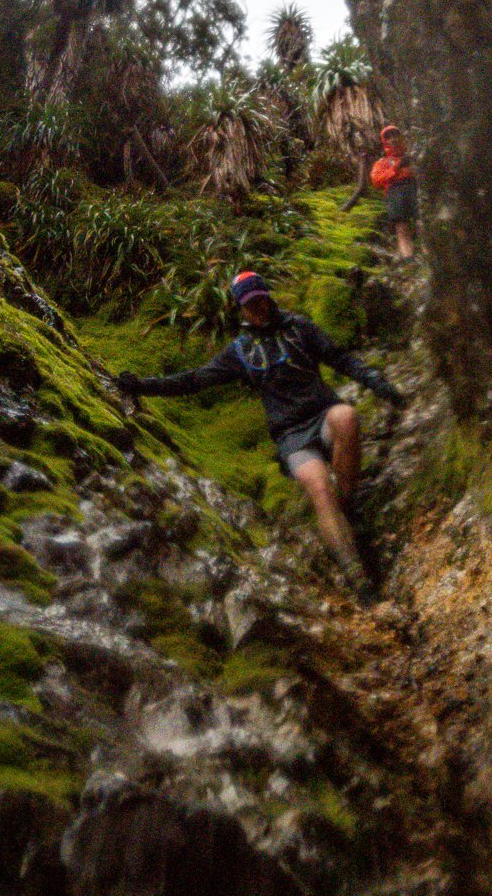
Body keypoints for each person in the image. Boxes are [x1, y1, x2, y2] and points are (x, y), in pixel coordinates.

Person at [116, 270, 405, 597]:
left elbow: (339, 358)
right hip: (291, 436)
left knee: (348, 416)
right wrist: (143, 386)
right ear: (241, 309)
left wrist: (376, 383)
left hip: (323, 414)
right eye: (249, 304)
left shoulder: (300, 328)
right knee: (320, 488)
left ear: (268, 297)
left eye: (259, 300)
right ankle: (358, 579)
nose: (257, 309)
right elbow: (195, 379)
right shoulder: (240, 351)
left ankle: (349, 506)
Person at [370, 124, 418, 260]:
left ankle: (426, 254)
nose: (393, 140)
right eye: (388, 137)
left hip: (413, 189)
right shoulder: (382, 162)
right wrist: (396, 168)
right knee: (402, 227)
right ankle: (408, 257)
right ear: (384, 141)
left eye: (395, 135)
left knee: (421, 222)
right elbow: (376, 181)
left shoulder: (412, 156)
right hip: (394, 193)